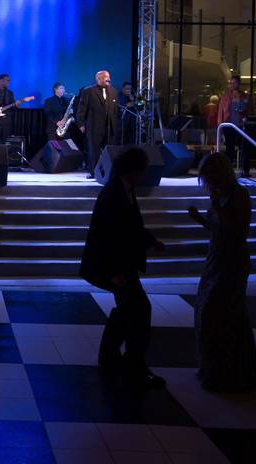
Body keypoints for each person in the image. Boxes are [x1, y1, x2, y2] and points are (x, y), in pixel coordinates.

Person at [79, 147, 166, 388]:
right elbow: (106, 235)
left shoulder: (124, 191)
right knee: (139, 309)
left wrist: (150, 241)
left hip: (121, 264)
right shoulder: (113, 195)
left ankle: (110, 356)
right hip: (116, 266)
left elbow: (131, 226)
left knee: (129, 309)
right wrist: (114, 272)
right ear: (134, 170)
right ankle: (133, 364)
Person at [187, 152, 256, 392]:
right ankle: (214, 370)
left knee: (222, 313)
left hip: (233, 261)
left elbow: (238, 232)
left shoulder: (238, 195)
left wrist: (217, 208)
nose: (206, 181)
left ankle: (230, 372)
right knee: (209, 311)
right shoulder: (220, 194)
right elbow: (217, 229)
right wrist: (200, 218)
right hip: (216, 258)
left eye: (209, 175)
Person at [76, 70, 119, 176]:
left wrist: (116, 124)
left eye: (108, 76)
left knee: (108, 150)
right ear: (98, 79)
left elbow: (115, 110)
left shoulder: (113, 91)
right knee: (94, 151)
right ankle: (94, 172)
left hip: (109, 127)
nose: (108, 78)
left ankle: (108, 172)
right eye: (105, 76)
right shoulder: (88, 91)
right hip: (94, 126)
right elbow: (82, 108)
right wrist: (80, 123)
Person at [216, 74, 250, 176]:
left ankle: (245, 170)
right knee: (229, 148)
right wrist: (220, 126)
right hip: (228, 125)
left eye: (235, 82)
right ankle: (228, 170)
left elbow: (248, 109)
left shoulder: (245, 96)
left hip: (240, 125)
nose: (233, 84)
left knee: (244, 147)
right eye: (231, 83)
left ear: (239, 83)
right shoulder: (226, 97)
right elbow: (221, 112)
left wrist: (243, 107)